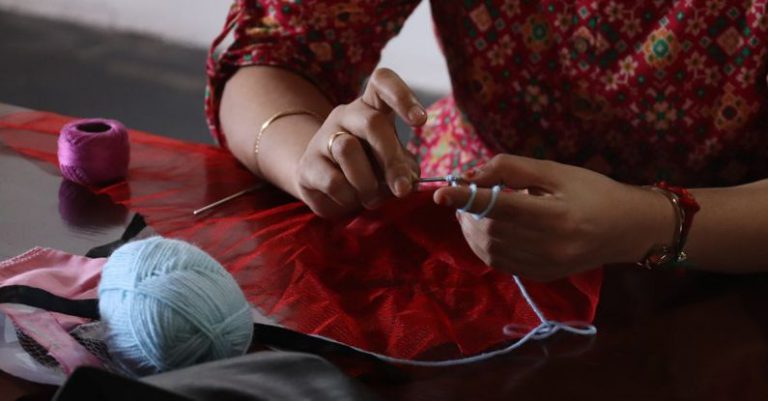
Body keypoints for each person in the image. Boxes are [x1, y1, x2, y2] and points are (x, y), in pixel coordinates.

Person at [206, 1, 768, 281]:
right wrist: (309, 153)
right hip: (470, 236)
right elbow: (271, 52)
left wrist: (651, 222)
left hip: (727, 255)